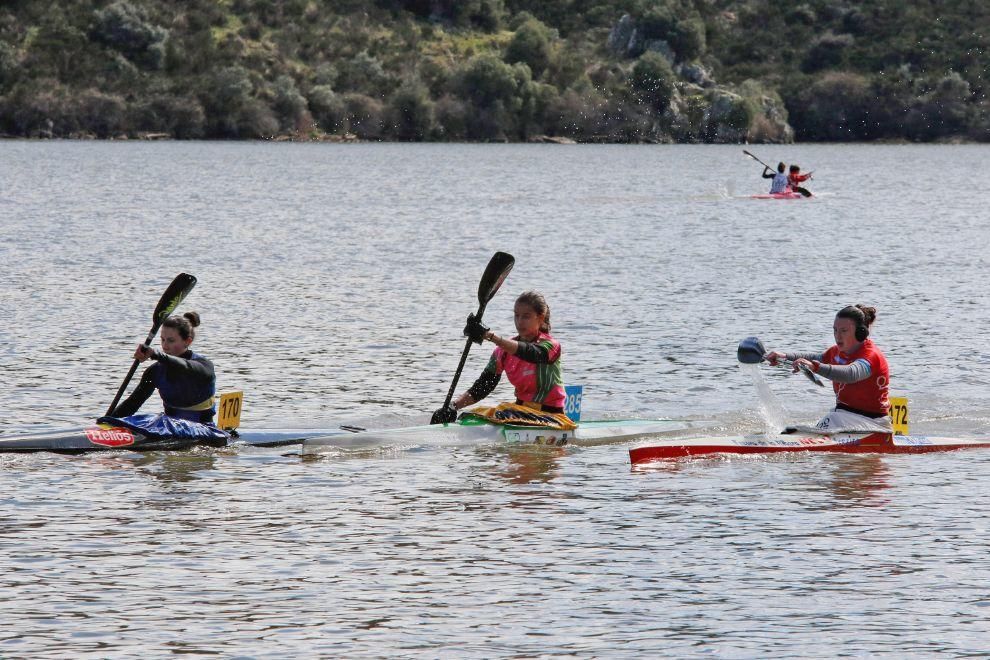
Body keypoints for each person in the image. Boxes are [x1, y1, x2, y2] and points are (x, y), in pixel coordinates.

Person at [766, 305, 890, 429]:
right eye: (835, 330)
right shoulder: (835, 352)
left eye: (843, 331)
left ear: (860, 332)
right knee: (825, 420)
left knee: (831, 419)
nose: (837, 336)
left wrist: (815, 367)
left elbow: (851, 374)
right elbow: (814, 357)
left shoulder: (871, 356)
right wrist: (784, 356)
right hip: (846, 417)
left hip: (873, 423)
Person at [450, 291, 566, 415]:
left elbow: (531, 353)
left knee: (500, 414)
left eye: (526, 316)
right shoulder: (502, 352)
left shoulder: (551, 346)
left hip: (551, 415)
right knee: (470, 415)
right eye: (516, 315)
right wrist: (453, 406)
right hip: (521, 412)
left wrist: (490, 336)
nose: (519, 321)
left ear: (541, 317)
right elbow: (482, 387)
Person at [111, 312, 217, 424]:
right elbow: (132, 404)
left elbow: (185, 366)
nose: (165, 346)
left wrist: (155, 354)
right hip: (169, 427)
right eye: (162, 340)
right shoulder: (155, 371)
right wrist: (107, 423)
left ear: (187, 341)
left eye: (171, 341)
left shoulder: (204, 366)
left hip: (204, 429)